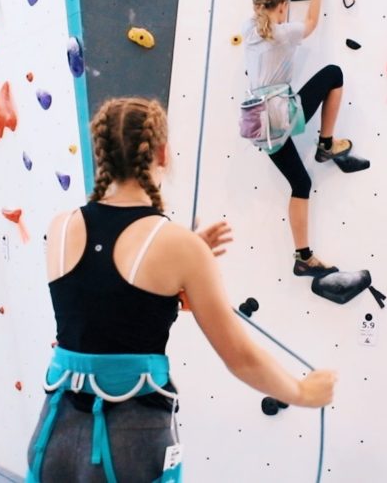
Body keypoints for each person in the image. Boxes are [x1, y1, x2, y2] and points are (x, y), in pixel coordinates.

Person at [27, 97, 336, 482]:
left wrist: (181, 261)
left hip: (55, 434)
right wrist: (302, 393)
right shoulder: (178, 246)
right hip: (132, 439)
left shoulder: (61, 226)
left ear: (101, 154)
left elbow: (101, 305)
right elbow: (239, 357)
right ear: (162, 153)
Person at [243, 0, 368, 277]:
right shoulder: (284, 33)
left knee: (301, 183)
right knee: (333, 75)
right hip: (280, 116)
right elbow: (311, 23)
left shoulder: (250, 29)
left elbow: (266, 1)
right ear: (282, 8)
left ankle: (303, 256)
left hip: (260, 125)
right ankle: (325, 144)